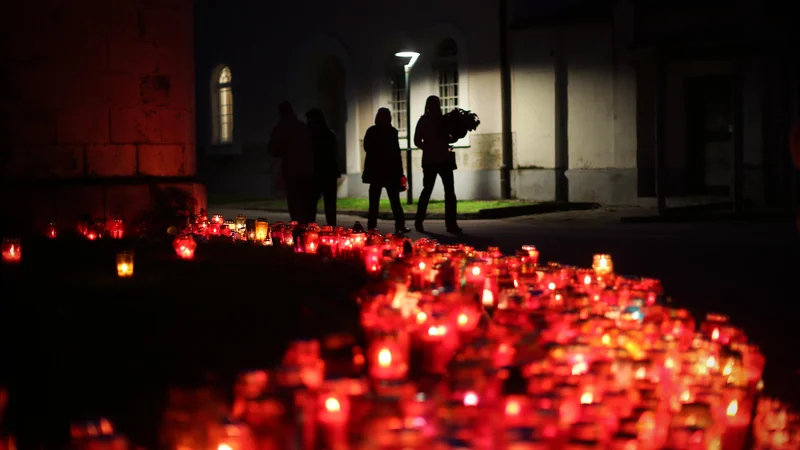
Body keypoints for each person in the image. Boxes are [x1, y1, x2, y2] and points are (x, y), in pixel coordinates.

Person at [413, 95, 462, 234]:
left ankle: (419, 221)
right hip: (440, 160)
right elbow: (449, 138)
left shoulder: (425, 121)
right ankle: (451, 224)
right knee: (448, 192)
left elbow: (417, 141)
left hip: (431, 160)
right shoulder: (441, 120)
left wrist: (427, 148)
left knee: (428, 191)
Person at [362, 107, 410, 233]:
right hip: (389, 172)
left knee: (375, 202)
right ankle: (399, 225)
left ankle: (372, 226)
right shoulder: (391, 131)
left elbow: (367, 148)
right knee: (394, 201)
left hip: (378, 172)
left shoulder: (373, 131)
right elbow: (396, 153)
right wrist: (400, 172)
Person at [268, 101, 314, 223]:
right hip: (306, 169)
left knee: (294, 202)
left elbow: (273, 149)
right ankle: (307, 227)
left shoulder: (281, 128)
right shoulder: (301, 126)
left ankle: (298, 227)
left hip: (292, 169)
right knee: (305, 201)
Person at [306, 108, 340, 226]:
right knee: (329, 204)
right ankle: (332, 228)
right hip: (328, 172)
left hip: (316, 172)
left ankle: (310, 228)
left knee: (311, 204)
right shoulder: (329, 133)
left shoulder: (311, 134)